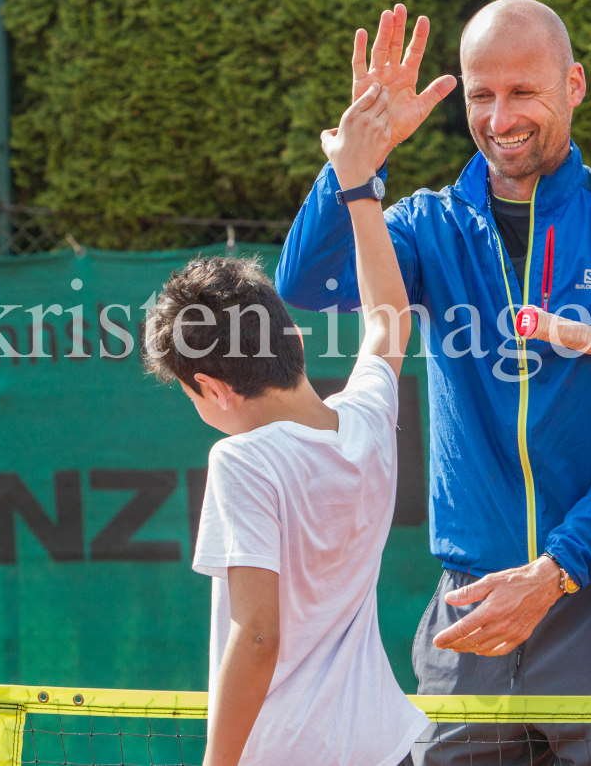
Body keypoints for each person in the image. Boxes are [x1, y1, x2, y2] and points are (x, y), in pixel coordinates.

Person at [277, 0, 591, 765]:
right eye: (481, 94)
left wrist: (553, 574)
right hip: (470, 606)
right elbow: (310, 279)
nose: (500, 117)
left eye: (522, 91)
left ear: (573, 85)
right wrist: (353, 166)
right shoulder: (423, 226)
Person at [145, 82, 429, 766]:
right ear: (295, 342)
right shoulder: (363, 424)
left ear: (209, 387)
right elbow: (389, 316)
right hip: (390, 748)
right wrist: (358, 185)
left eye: (189, 393)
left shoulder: (242, 463)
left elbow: (259, 634)